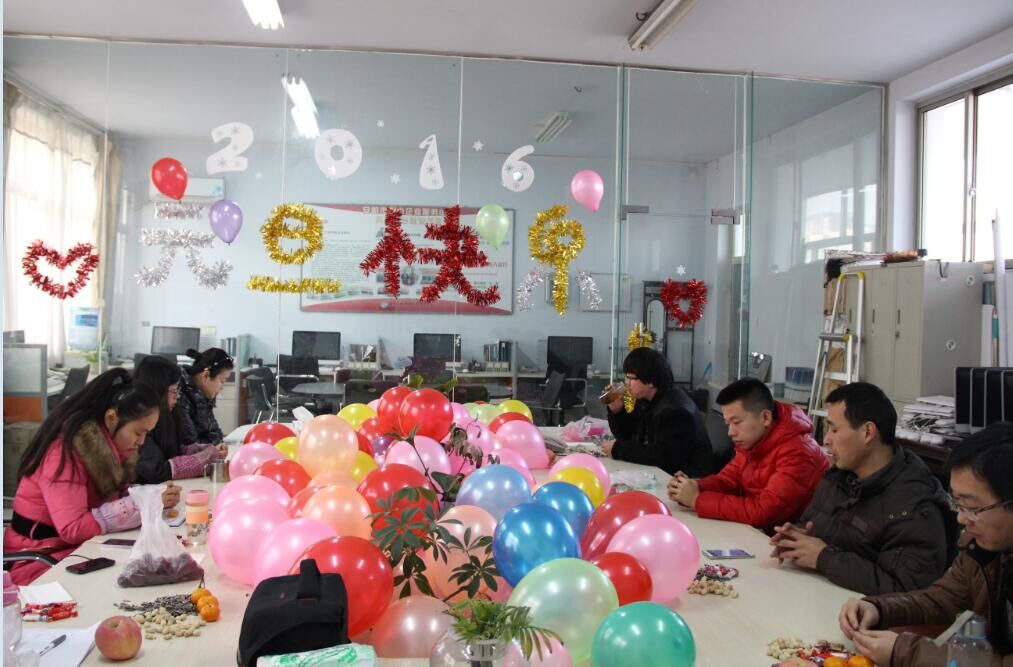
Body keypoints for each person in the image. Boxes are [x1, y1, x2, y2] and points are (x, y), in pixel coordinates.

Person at [839, 422, 1013, 666]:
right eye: (958, 504)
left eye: (973, 508)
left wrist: (906, 652)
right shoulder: (982, 546)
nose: (962, 519)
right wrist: (878, 608)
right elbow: (942, 598)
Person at [770, 382, 949, 594]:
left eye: (834, 429)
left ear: (867, 432)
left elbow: (907, 591)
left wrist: (824, 558)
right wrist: (797, 539)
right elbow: (813, 527)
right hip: (819, 594)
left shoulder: (913, 506)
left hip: (860, 611)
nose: (826, 440)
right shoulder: (838, 477)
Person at [3, 369, 180, 584]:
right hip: (40, 561)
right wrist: (143, 502)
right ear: (111, 418)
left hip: (76, 552)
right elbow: (73, 528)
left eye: (146, 434)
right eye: (138, 432)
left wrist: (151, 495)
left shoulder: (111, 448)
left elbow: (114, 498)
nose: (141, 442)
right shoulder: (63, 453)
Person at [668, 377, 828, 531]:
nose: (730, 432)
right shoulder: (754, 440)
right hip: (759, 533)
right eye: (727, 424)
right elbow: (727, 481)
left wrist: (697, 499)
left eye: (736, 422)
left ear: (765, 417)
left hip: (782, 540)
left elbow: (764, 512)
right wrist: (693, 487)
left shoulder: (798, 452)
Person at [603, 348, 711, 477]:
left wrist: (619, 449)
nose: (626, 383)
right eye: (626, 377)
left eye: (631, 378)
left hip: (687, 480)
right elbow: (629, 437)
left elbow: (665, 458)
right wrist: (617, 411)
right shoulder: (648, 400)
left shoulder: (675, 411)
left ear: (651, 381)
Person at [134, 355, 226, 483]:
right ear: (158, 390)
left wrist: (202, 450)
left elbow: (173, 450)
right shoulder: (140, 423)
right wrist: (203, 458)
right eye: (174, 390)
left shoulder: (168, 416)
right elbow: (157, 471)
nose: (177, 396)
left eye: (178, 390)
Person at [176, 347, 234, 446]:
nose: (222, 387)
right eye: (222, 381)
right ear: (206, 375)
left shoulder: (203, 396)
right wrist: (214, 445)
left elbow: (214, 431)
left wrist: (216, 443)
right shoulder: (180, 395)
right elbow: (191, 443)